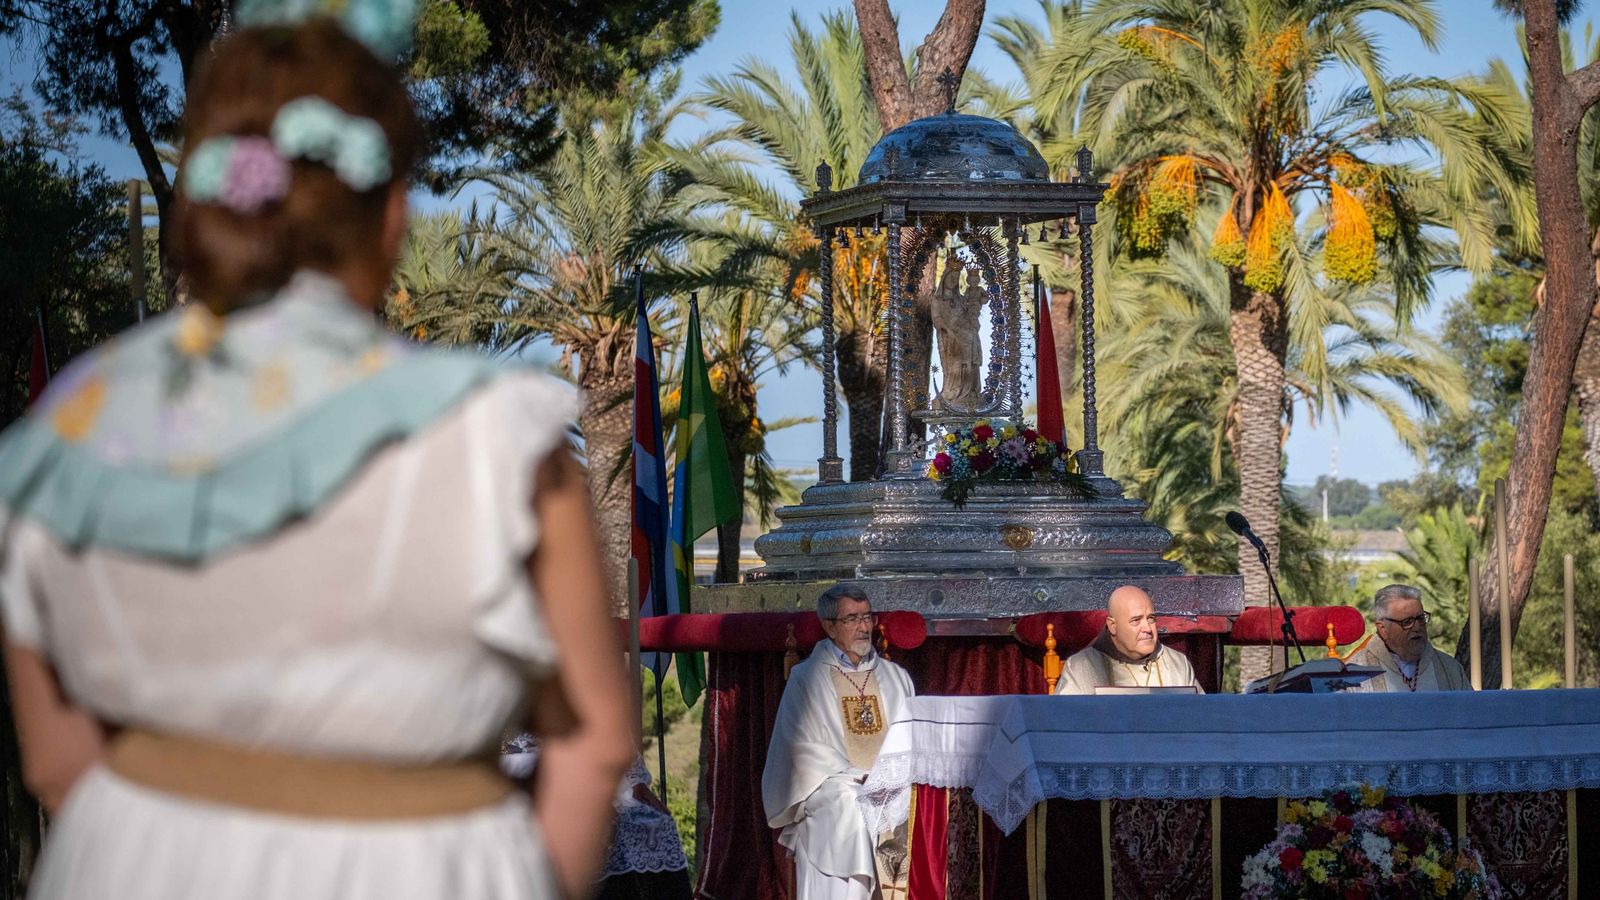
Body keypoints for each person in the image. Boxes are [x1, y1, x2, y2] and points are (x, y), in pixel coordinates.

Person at [0, 14, 632, 900]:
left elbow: (60, 764)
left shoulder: (56, 439)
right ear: (392, 212)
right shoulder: (496, 436)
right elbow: (595, 742)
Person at [762, 585, 916, 900]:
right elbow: (798, 746)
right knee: (851, 803)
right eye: (852, 619)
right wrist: (854, 773)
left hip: (892, 779)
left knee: (919, 800)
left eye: (867, 617)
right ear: (830, 627)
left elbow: (913, 735)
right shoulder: (807, 677)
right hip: (832, 782)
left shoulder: (896, 676)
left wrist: (889, 773)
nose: (863, 627)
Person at [1055, 585, 1203, 694]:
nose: (1147, 628)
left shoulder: (1177, 663)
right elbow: (1067, 724)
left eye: (1151, 618)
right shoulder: (1082, 666)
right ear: (1113, 626)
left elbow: (1199, 719)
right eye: (1136, 620)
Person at [1344, 584, 1470, 692]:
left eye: (1420, 618)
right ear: (1383, 629)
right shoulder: (1354, 673)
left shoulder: (1449, 669)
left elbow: (1471, 714)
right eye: (1407, 621)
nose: (1417, 627)